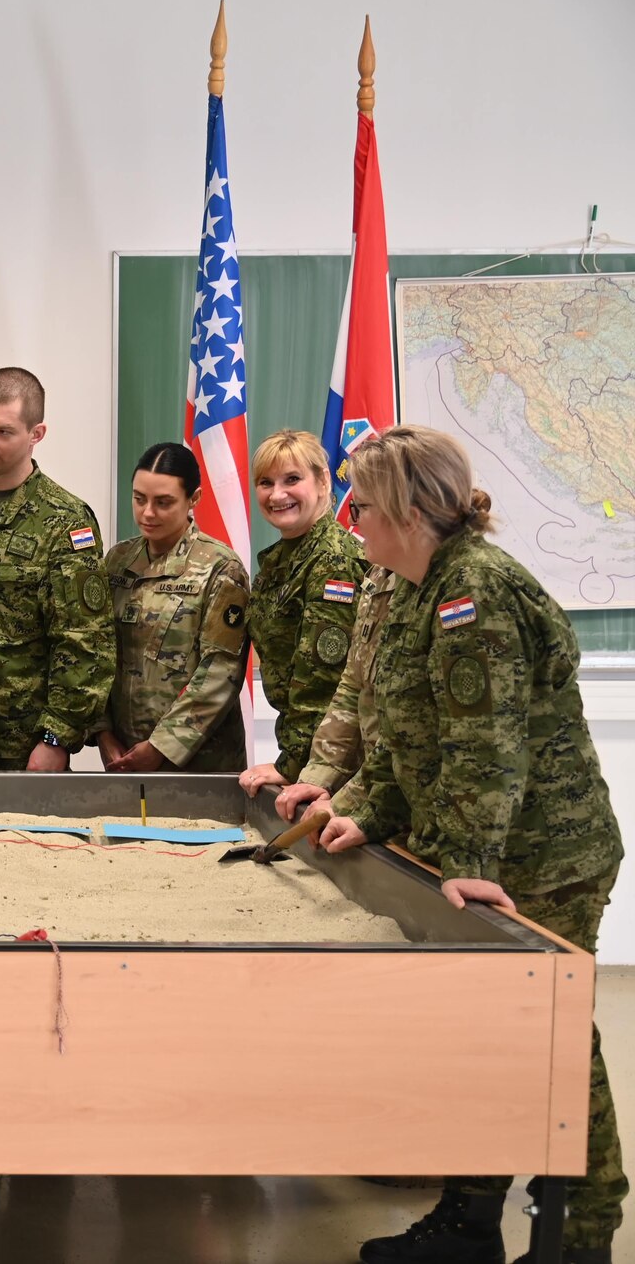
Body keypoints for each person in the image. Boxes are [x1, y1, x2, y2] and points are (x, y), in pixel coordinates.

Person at [316, 427, 625, 1264]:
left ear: (411, 512)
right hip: (483, 852)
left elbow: (487, 747)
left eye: (366, 506)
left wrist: (473, 869)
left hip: (544, 855)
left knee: (557, 1041)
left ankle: (583, 1238)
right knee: (484, 1035)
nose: (355, 521)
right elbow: (407, 739)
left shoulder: (476, 592)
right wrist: (368, 812)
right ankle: (468, 1219)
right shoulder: (418, 585)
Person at [0, 367, 112, 771]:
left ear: (36, 434)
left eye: (3, 431)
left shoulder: (65, 520)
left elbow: (85, 642)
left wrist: (56, 737)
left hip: (22, 744)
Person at [92, 442, 250, 773]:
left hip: (201, 765)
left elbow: (221, 671)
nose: (147, 513)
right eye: (139, 499)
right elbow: (97, 652)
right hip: (124, 757)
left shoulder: (220, 567)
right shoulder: (118, 562)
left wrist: (161, 746)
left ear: (194, 499)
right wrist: (102, 732)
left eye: (163, 502)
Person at [236, 429, 365, 798]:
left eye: (292, 479)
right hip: (307, 754)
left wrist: (292, 767)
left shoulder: (331, 560)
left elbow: (322, 683)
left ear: (323, 480)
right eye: (265, 482)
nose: (277, 495)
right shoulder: (283, 558)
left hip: (334, 764)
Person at [271, 563, 397, 826]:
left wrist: (348, 803)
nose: (358, 525)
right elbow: (354, 686)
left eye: (363, 517)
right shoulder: (379, 573)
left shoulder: (450, 583)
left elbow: (410, 735)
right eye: (355, 517)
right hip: (383, 804)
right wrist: (321, 775)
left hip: (428, 816)